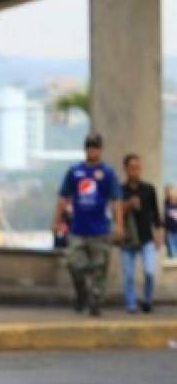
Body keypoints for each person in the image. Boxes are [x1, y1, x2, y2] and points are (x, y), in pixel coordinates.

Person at [52, 133, 123, 317]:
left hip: (100, 229)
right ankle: (81, 293)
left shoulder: (107, 173)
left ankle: (95, 301)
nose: (93, 150)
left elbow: (116, 201)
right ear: (85, 149)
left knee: (100, 268)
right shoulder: (75, 171)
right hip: (78, 229)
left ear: (100, 150)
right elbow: (63, 197)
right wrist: (57, 220)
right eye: (90, 147)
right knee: (74, 265)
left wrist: (119, 224)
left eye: (96, 147)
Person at [118, 154, 163, 314]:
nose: (135, 171)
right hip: (128, 239)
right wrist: (129, 204)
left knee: (149, 271)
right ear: (126, 169)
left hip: (146, 238)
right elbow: (114, 212)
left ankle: (147, 300)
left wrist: (158, 234)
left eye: (138, 167)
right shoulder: (120, 190)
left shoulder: (149, 189)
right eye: (132, 167)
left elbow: (156, 215)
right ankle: (130, 303)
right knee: (128, 274)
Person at [165, 186, 177, 258]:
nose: (173, 199)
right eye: (172, 197)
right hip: (170, 232)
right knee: (173, 253)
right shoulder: (166, 205)